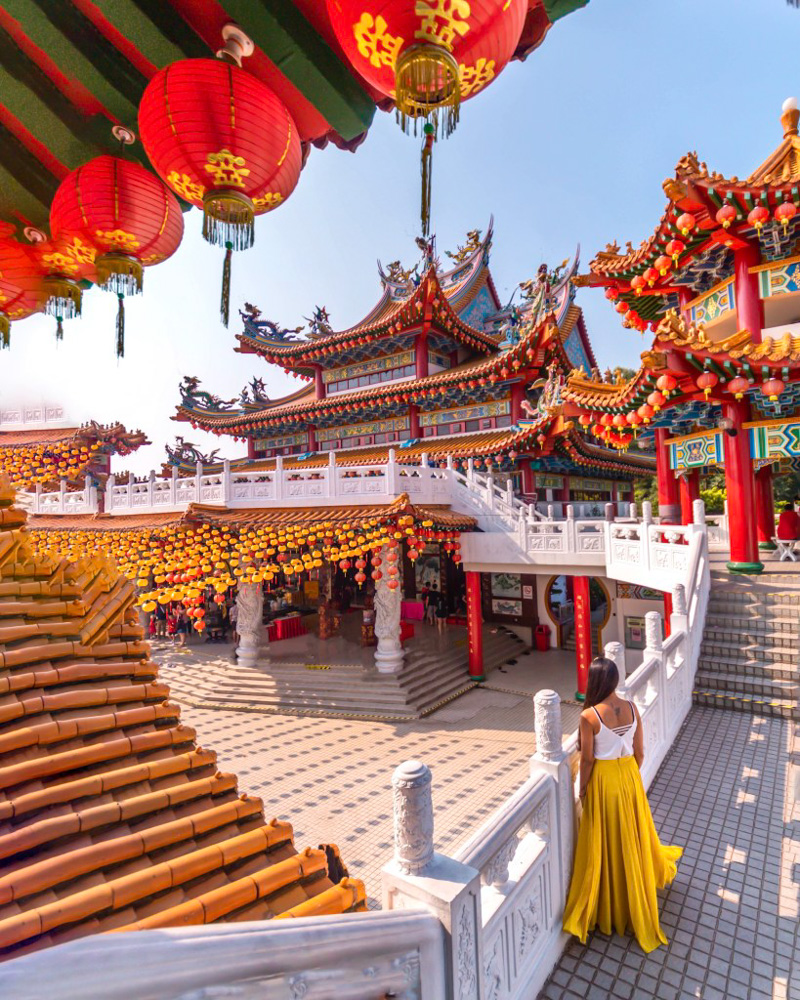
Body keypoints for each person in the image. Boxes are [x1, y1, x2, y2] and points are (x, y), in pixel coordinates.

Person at [562, 656, 682, 953]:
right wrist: (628, 775)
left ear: (593, 682)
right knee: (632, 836)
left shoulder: (589, 716)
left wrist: (583, 790)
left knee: (605, 842)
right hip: (628, 776)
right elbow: (640, 752)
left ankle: (610, 904)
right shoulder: (631, 707)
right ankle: (634, 898)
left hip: (604, 781)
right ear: (615, 681)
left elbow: (588, 760)